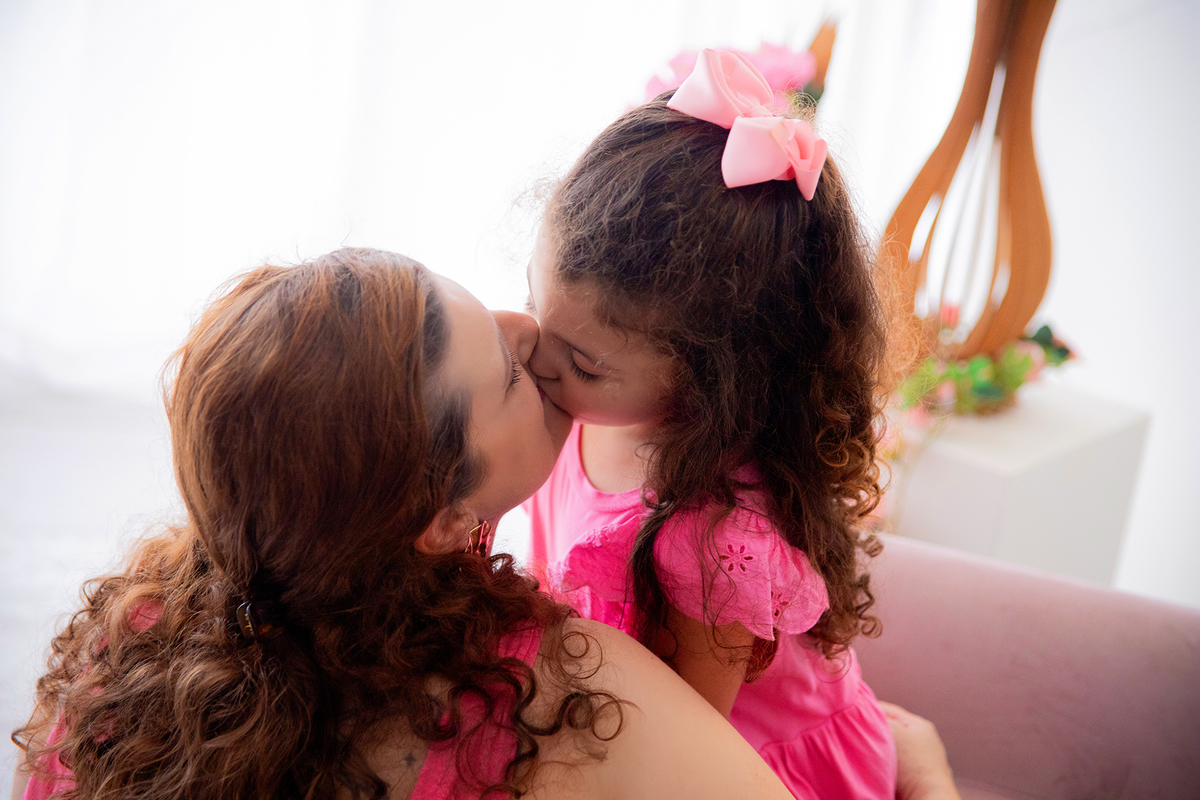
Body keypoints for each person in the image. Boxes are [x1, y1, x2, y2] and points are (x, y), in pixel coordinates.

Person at [10, 249, 799, 800]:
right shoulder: (555, 689)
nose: (528, 329)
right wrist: (929, 780)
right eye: (512, 372)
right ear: (446, 520)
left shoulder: (123, 648)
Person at [523, 50, 896, 800]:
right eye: (535, 309)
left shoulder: (716, 542)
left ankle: (922, 767)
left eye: (586, 363)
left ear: (712, 378)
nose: (540, 363)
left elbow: (690, 754)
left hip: (744, 766)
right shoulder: (580, 398)